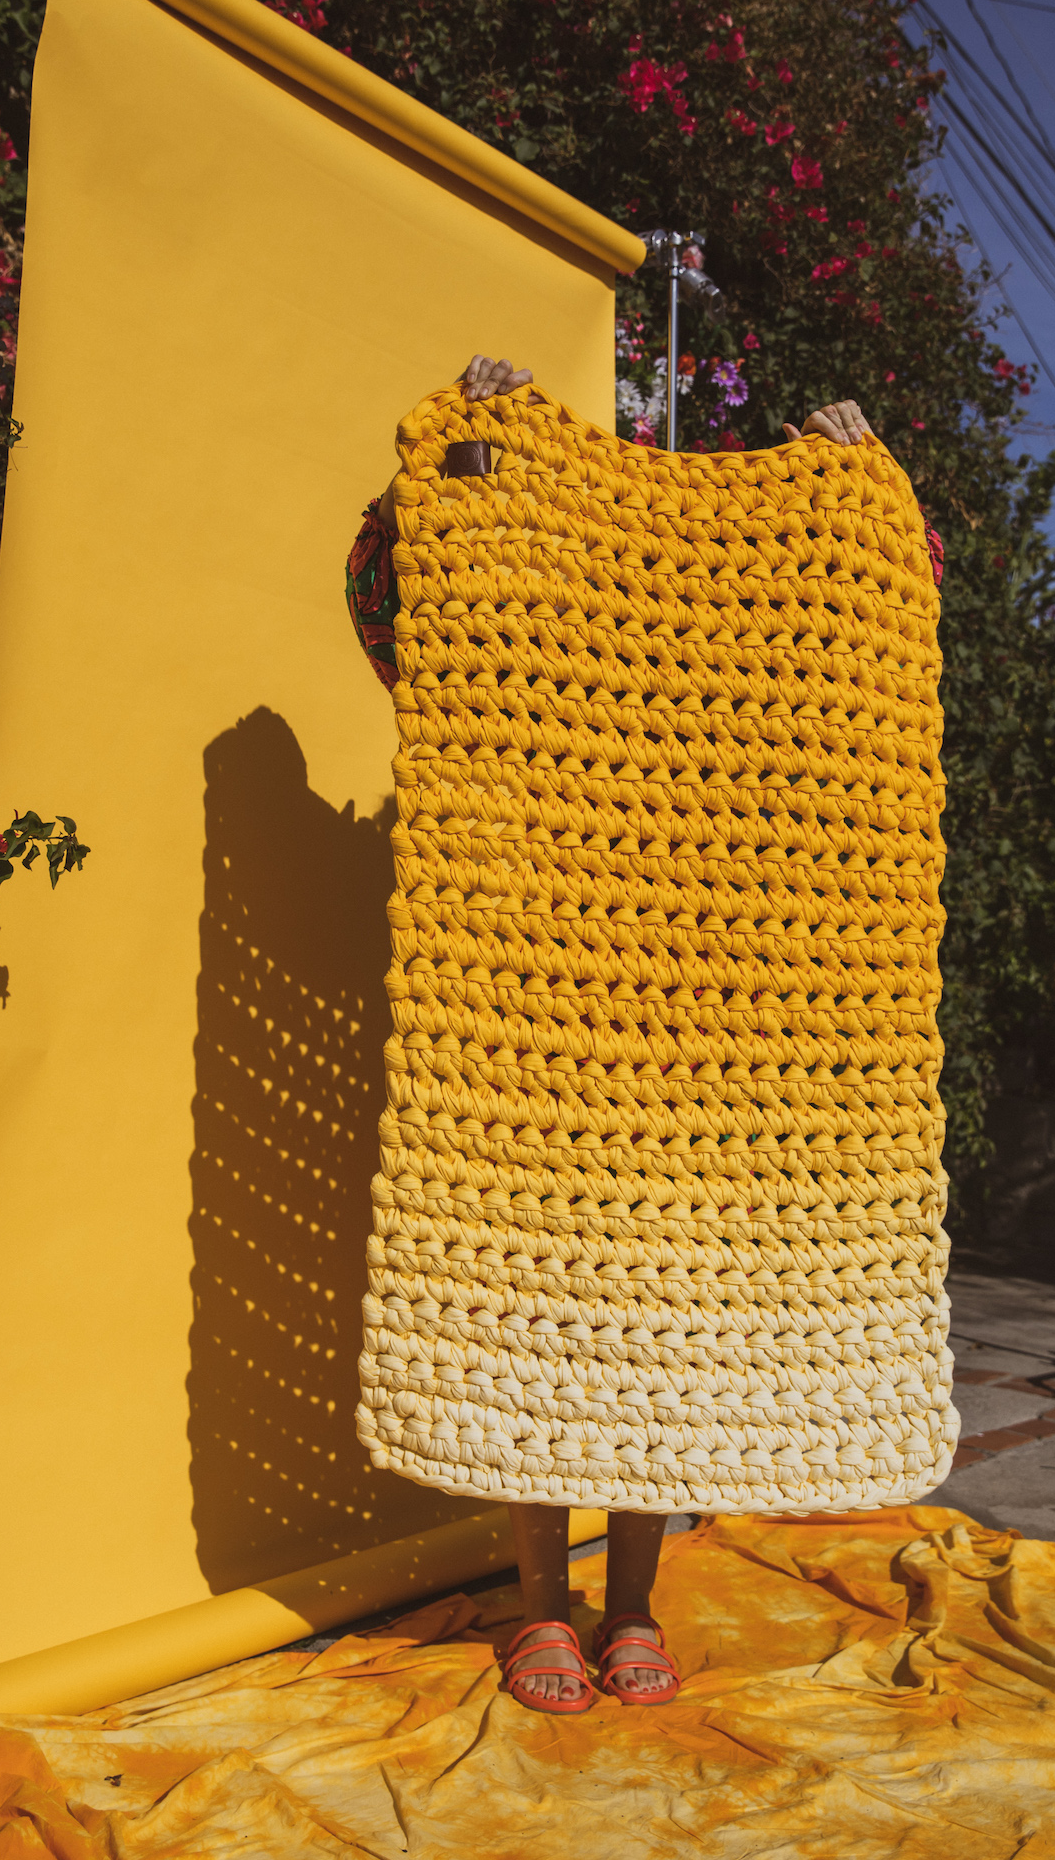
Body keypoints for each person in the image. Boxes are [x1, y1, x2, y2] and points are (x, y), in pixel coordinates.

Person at [346, 355, 882, 1712]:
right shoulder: (534, 605)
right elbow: (385, 593)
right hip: (535, 992)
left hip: (696, 1005)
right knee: (542, 1306)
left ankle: (632, 1600)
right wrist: (469, 449)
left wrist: (872, 489)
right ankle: (541, 1605)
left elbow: (871, 645)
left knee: (657, 1313)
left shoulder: (731, 634)